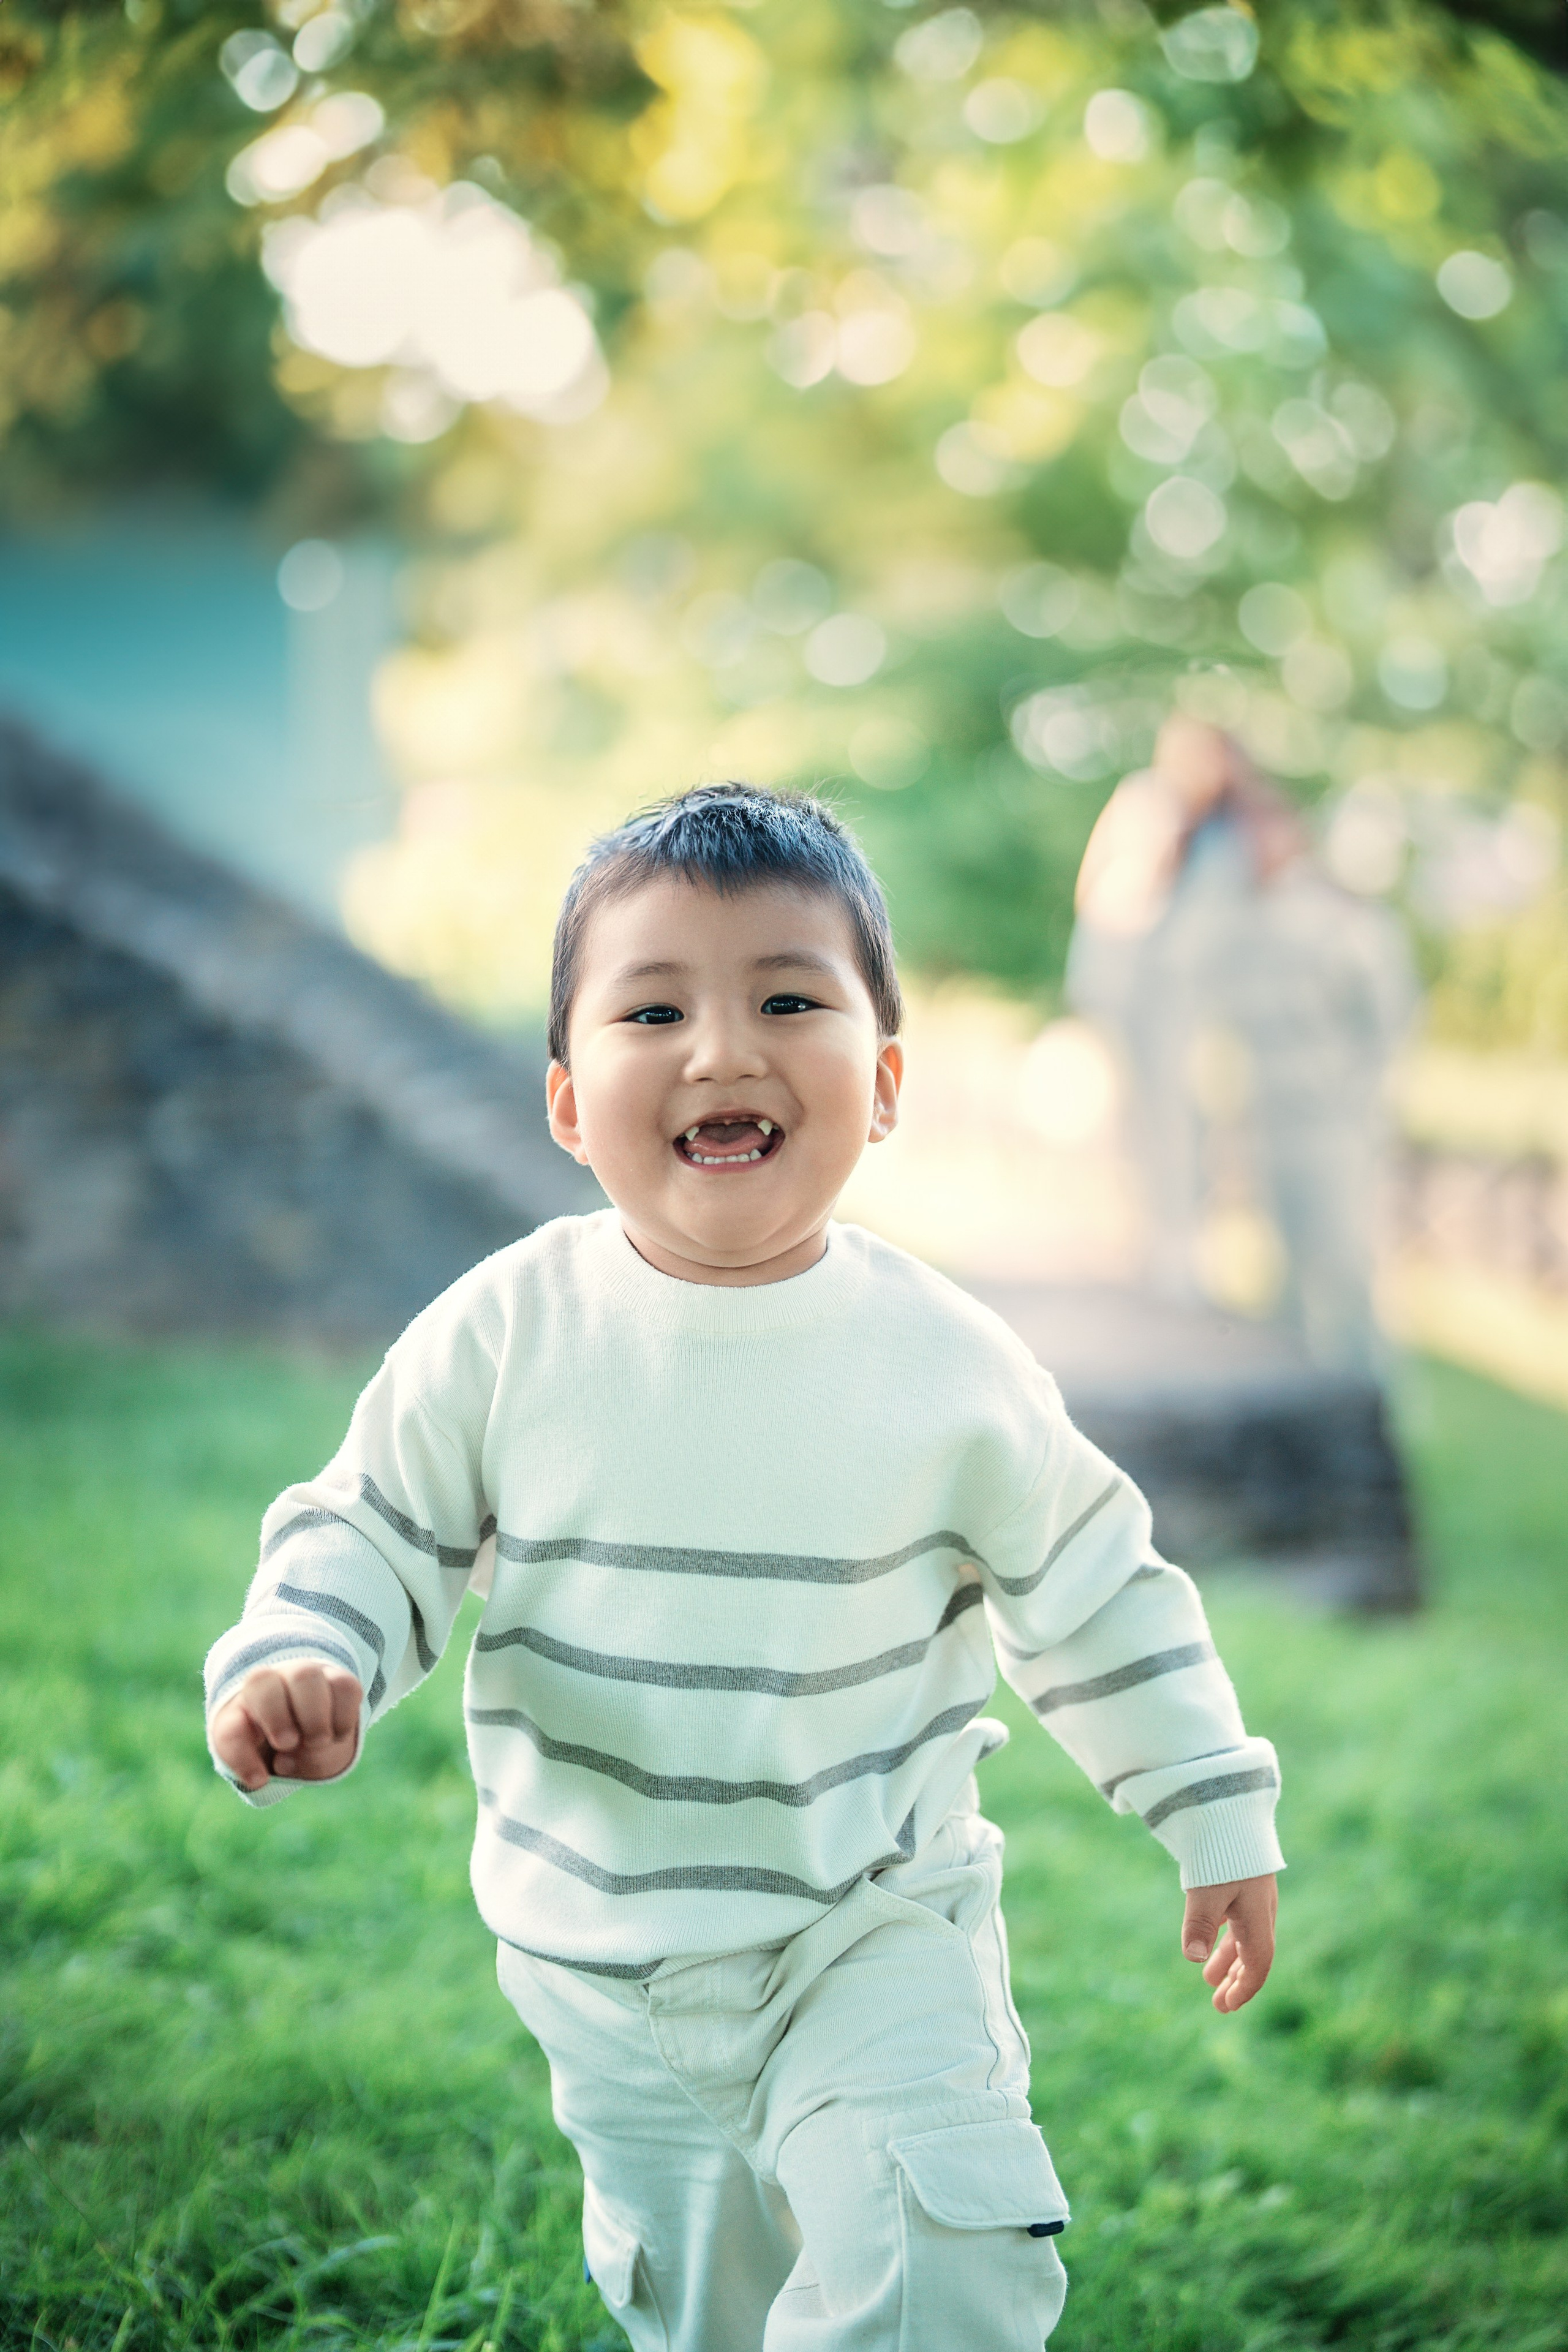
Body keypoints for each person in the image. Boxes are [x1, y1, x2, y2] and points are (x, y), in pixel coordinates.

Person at [205, 785, 1283, 2352]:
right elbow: (371, 1520)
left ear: (885, 1078)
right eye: (655, 1008)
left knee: (939, 2260)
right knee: (703, 2311)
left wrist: (1207, 1793)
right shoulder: (505, 1333)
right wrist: (304, 1650)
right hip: (604, 1962)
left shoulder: (946, 1364)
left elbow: (1096, 1584)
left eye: (788, 996)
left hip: (869, 1917)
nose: (721, 1049)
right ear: (569, 1102)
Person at [1069, 716, 1414, 1371]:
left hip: (1211, 1007)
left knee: (1203, 1135)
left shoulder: (1246, 837)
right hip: (1147, 986)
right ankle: (1166, 1254)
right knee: (1157, 1127)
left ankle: (1204, 1268)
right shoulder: (1150, 805)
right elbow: (1109, 900)